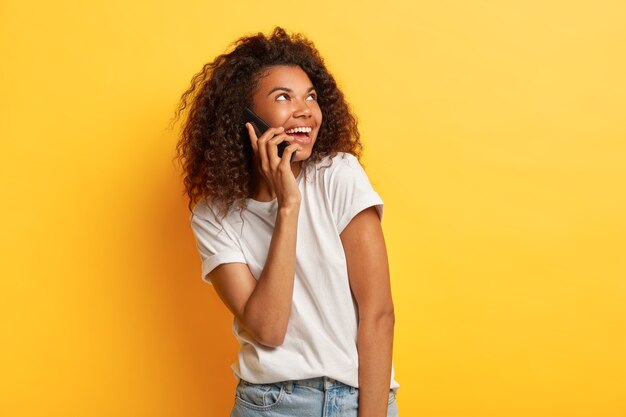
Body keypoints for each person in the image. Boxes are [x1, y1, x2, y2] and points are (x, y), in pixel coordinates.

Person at [174, 26, 400, 417]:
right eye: (284, 97)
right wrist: (287, 207)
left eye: (310, 96)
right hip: (267, 405)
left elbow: (378, 314)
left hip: (355, 401)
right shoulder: (214, 216)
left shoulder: (338, 175)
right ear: (243, 118)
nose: (305, 110)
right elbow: (269, 328)